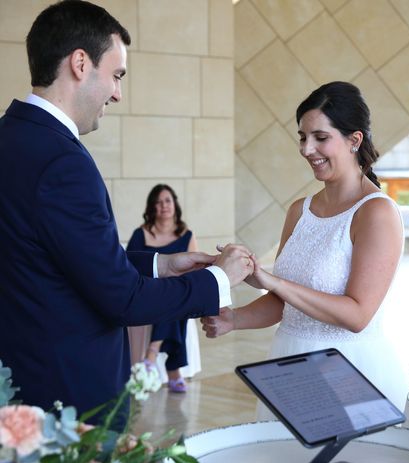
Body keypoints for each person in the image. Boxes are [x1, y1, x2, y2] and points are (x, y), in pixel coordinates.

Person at [0, 0, 253, 421]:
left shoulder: (11, 138)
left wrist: (162, 264)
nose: (118, 93)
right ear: (80, 63)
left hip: (21, 382)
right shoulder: (63, 162)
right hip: (71, 401)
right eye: (116, 75)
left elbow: (54, 261)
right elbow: (121, 301)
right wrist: (218, 279)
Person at [201, 81, 407, 412]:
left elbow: (358, 315)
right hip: (288, 366)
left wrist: (271, 279)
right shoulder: (300, 210)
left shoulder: (377, 212)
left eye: (320, 138)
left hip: (350, 373)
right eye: (302, 136)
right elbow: (285, 303)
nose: (306, 148)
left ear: (354, 140)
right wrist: (233, 319)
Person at [127, 184, 202, 393]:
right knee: (168, 299)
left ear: (175, 204)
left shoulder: (187, 235)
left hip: (175, 290)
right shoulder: (140, 234)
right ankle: (173, 369)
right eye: (158, 202)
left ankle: (152, 355)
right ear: (152, 207)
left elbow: (194, 270)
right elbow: (129, 267)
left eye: (167, 200)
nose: (164, 206)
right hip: (146, 290)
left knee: (174, 298)